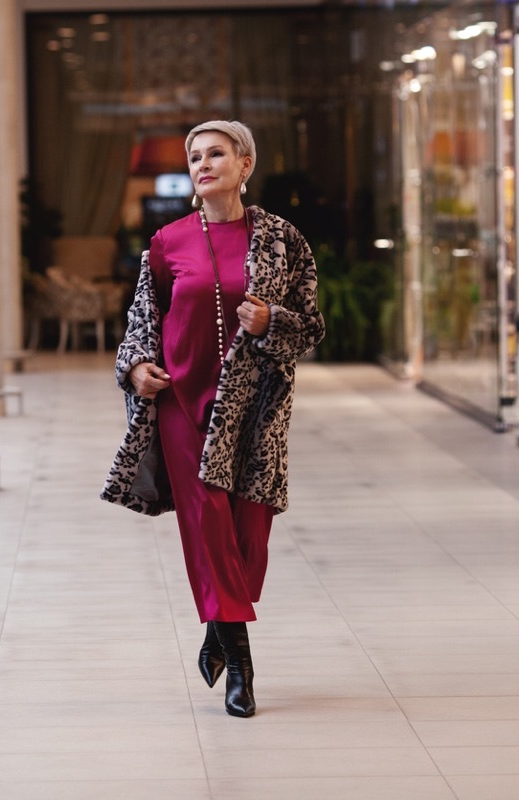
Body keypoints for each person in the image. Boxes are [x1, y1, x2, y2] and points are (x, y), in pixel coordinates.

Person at [101, 120, 325, 718]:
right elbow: (142, 321)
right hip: (182, 402)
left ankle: (217, 631)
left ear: (245, 164)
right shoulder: (167, 241)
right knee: (207, 526)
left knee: (248, 535)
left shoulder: (283, 241)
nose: (202, 164)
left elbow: (311, 327)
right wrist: (137, 367)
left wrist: (271, 321)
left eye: (215, 154)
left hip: (256, 408)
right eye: (195, 156)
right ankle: (241, 669)